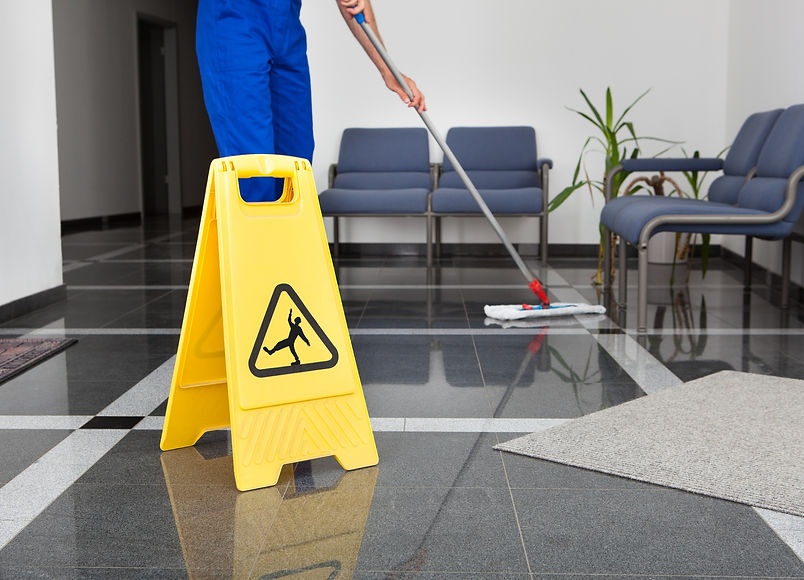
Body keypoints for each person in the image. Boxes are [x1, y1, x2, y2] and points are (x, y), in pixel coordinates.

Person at [196, 0, 426, 202]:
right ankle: (255, 249)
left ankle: (288, 249)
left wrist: (387, 69)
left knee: (296, 164)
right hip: (233, 20)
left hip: (286, 27)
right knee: (253, 169)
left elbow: (354, 5)